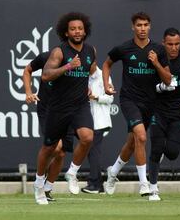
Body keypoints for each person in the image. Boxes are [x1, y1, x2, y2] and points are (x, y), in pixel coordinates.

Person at [102, 12, 172, 196]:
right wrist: (106, 84)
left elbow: (168, 80)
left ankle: (113, 172)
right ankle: (144, 185)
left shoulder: (159, 50)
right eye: (139, 25)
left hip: (151, 102)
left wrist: (156, 63)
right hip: (129, 100)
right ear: (133, 27)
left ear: (150, 27)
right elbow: (107, 64)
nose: (142, 28)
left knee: (133, 143)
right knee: (141, 137)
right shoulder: (124, 48)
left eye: (146, 25)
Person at [33, 12, 96, 205]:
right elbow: (46, 75)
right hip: (58, 107)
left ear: (85, 31)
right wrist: (68, 66)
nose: (77, 32)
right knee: (49, 148)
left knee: (87, 138)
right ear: (66, 33)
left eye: (80, 28)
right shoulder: (59, 52)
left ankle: (72, 173)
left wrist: (101, 85)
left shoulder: (91, 50)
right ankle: (38, 185)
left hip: (80, 105)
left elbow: (91, 70)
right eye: (73, 29)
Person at [148, 28, 180, 201]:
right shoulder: (156, 59)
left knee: (172, 153)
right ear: (163, 43)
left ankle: (163, 152)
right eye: (170, 44)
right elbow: (147, 85)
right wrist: (160, 87)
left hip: (178, 112)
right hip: (158, 110)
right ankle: (153, 189)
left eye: (177, 44)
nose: (173, 48)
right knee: (156, 149)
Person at [23, 51, 74, 202]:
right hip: (48, 109)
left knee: (62, 153)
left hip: (68, 109)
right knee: (55, 147)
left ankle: (47, 189)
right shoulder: (46, 57)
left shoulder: (78, 59)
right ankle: (39, 183)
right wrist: (28, 92)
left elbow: (87, 77)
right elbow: (27, 70)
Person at [81, 66, 114, 194]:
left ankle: (94, 184)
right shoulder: (83, 75)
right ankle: (98, 185)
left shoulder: (103, 76)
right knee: (91, 152)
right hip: (86, 121)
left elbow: (110, 98)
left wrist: (95, 97)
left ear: (94, 61)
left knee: (94, 152)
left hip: (100, 121)